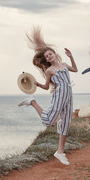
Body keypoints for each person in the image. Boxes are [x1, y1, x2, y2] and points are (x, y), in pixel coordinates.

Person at [18, 26, 78, 165]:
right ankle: (32, 102)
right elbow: (46, 87)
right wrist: (36, 84)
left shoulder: (63, 64)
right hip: (59, 95)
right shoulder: (50, 70)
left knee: (67, 123)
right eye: (46, 57)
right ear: (47, 60)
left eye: (50, 54)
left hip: (68, 96)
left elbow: (75, 69)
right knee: (50, 120)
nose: (49, 56)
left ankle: (60, 152)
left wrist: (71, 56)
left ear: (55, 54)